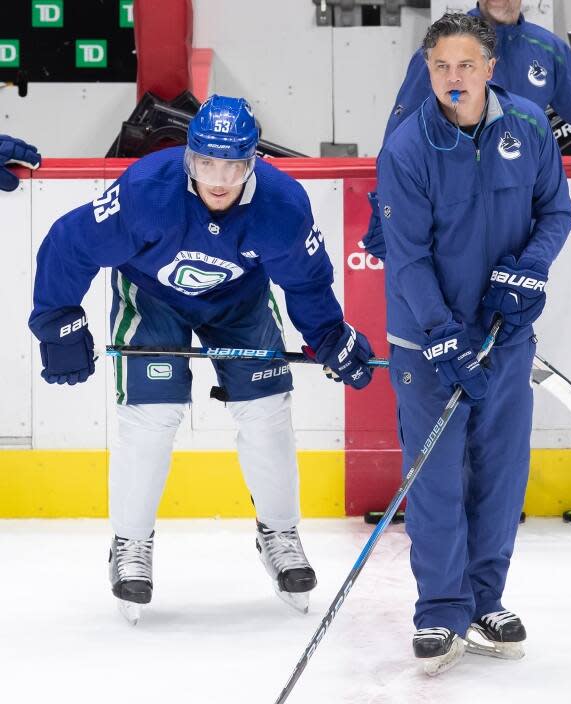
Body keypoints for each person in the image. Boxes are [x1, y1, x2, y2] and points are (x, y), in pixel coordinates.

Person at [28, 95, 374, 623]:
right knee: (151, 416)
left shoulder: (282, 206)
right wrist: (57, 322)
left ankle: (279, 534)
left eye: (232, 164)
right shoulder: (147, 191)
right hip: (153, 295)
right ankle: (130, 544)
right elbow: (69, 243)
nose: (218, 178)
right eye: (206, 162)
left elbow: (306, 281)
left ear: (253, 160)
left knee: (267, 411)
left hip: (240, 300)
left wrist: (329, 332)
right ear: (188, 156)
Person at [376, 13, 571, 675]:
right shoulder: (406, 148)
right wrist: (440, 337)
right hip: (428, 344)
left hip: (505, 336)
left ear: (491, 68)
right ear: (426, 71)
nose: (452, 78)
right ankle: (440, 608)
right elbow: (406, 259)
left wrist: (529, 271)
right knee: (437, 478)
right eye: (440, 67)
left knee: (499, 473)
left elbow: (555, 213)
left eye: (465, 65)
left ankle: (486, 599)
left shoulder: (529, 127)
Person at [364, 0, 571, 259]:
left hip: (516, 216)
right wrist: (385, 210)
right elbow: (399, 138)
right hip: (451, 217)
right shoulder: (445, 49)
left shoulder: (547, 49)